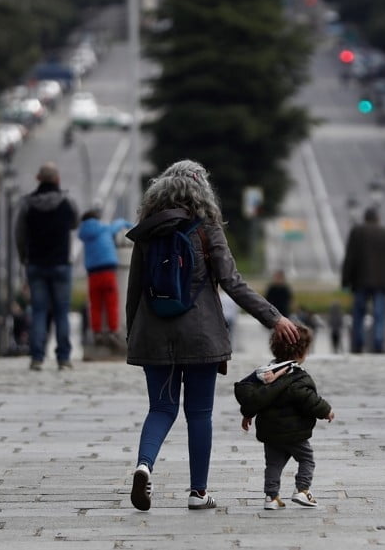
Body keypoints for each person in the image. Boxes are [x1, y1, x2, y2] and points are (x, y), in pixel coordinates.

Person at [124, 160, 300, 512]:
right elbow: (233, 284)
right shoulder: (206, 229)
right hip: (200, 335)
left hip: (155, 335)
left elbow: (134, 290)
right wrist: (274, 317)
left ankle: (144, 466)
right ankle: (198, 493)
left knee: (161, 408)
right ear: (202, 191)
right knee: (199, 414)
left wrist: (134, 335)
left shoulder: (147, 230)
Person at [234, 325, 334, 510]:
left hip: (270, 432)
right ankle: (302, 490)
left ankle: (271, 497)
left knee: (273, 464)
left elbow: (259, 398)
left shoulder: (266, 374)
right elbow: (310, 400)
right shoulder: (297, 378)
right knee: (306, 459)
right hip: (294, 433)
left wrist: (247, 414)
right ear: (303, 351)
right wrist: (326, 411)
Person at [15, 162, 80, 371]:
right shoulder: (66, 201)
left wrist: (23, 256)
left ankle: (37, 357)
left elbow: (19, 234)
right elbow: (75, 222)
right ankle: (63, 358)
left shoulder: (27, 204)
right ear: (57, 180)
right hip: (61, 263)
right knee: (62, 312)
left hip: (35, 263)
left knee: (39, 311)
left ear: (38, 179)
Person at [341, 207, 385, 353]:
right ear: (377, 218)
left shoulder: (357, 232)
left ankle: (358, 343)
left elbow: (350, 257)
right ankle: (378, 343)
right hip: (382, 282)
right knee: (380, 314)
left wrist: (345, 280)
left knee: (359, 313)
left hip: (360, 281)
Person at [77, 207, 132, 346]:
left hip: (93, 273)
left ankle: (97, 333)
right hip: (108, 271)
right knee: (111, 302)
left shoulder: (83, 233)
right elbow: (118, 224)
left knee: (95, 305)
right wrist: (129, 224)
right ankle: (113, 331)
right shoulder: (104, 229)